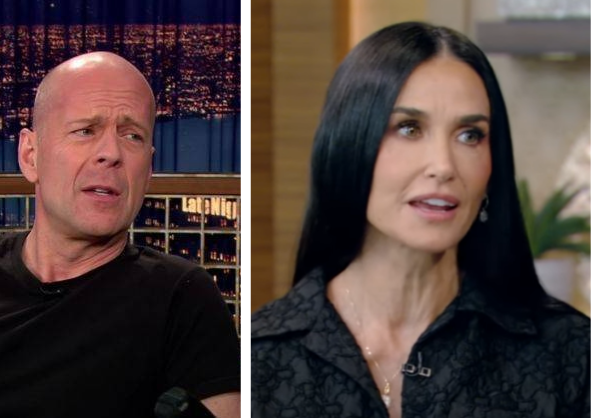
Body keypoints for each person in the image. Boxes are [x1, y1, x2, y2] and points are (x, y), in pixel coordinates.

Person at [251, 22, 589, 418]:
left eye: (470, 135)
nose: (444, 166)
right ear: (349, 145)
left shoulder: (573, 355)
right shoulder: (260, 358)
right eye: (409, 128)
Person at [0, 52, 240, 418]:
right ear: (30, 156)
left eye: (132, 136)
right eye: (85, 131)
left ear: (149, 170)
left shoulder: (183, 298)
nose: (111, 153)